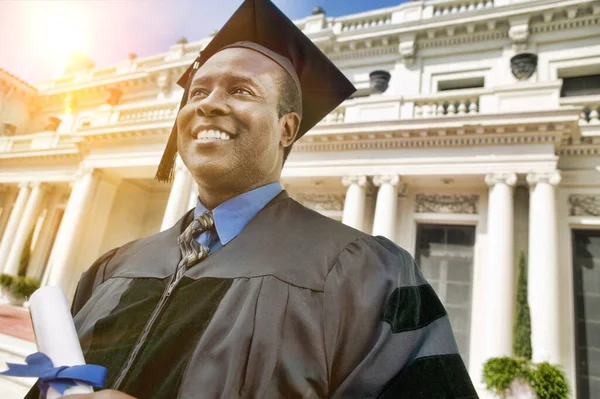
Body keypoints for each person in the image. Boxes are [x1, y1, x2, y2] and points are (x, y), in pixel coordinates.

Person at [27, 0, 478, 398]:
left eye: (241, 90)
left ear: (287, 128)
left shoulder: (365, 276)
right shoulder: (112, 269)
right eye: (198, 91)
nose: (207, 104)